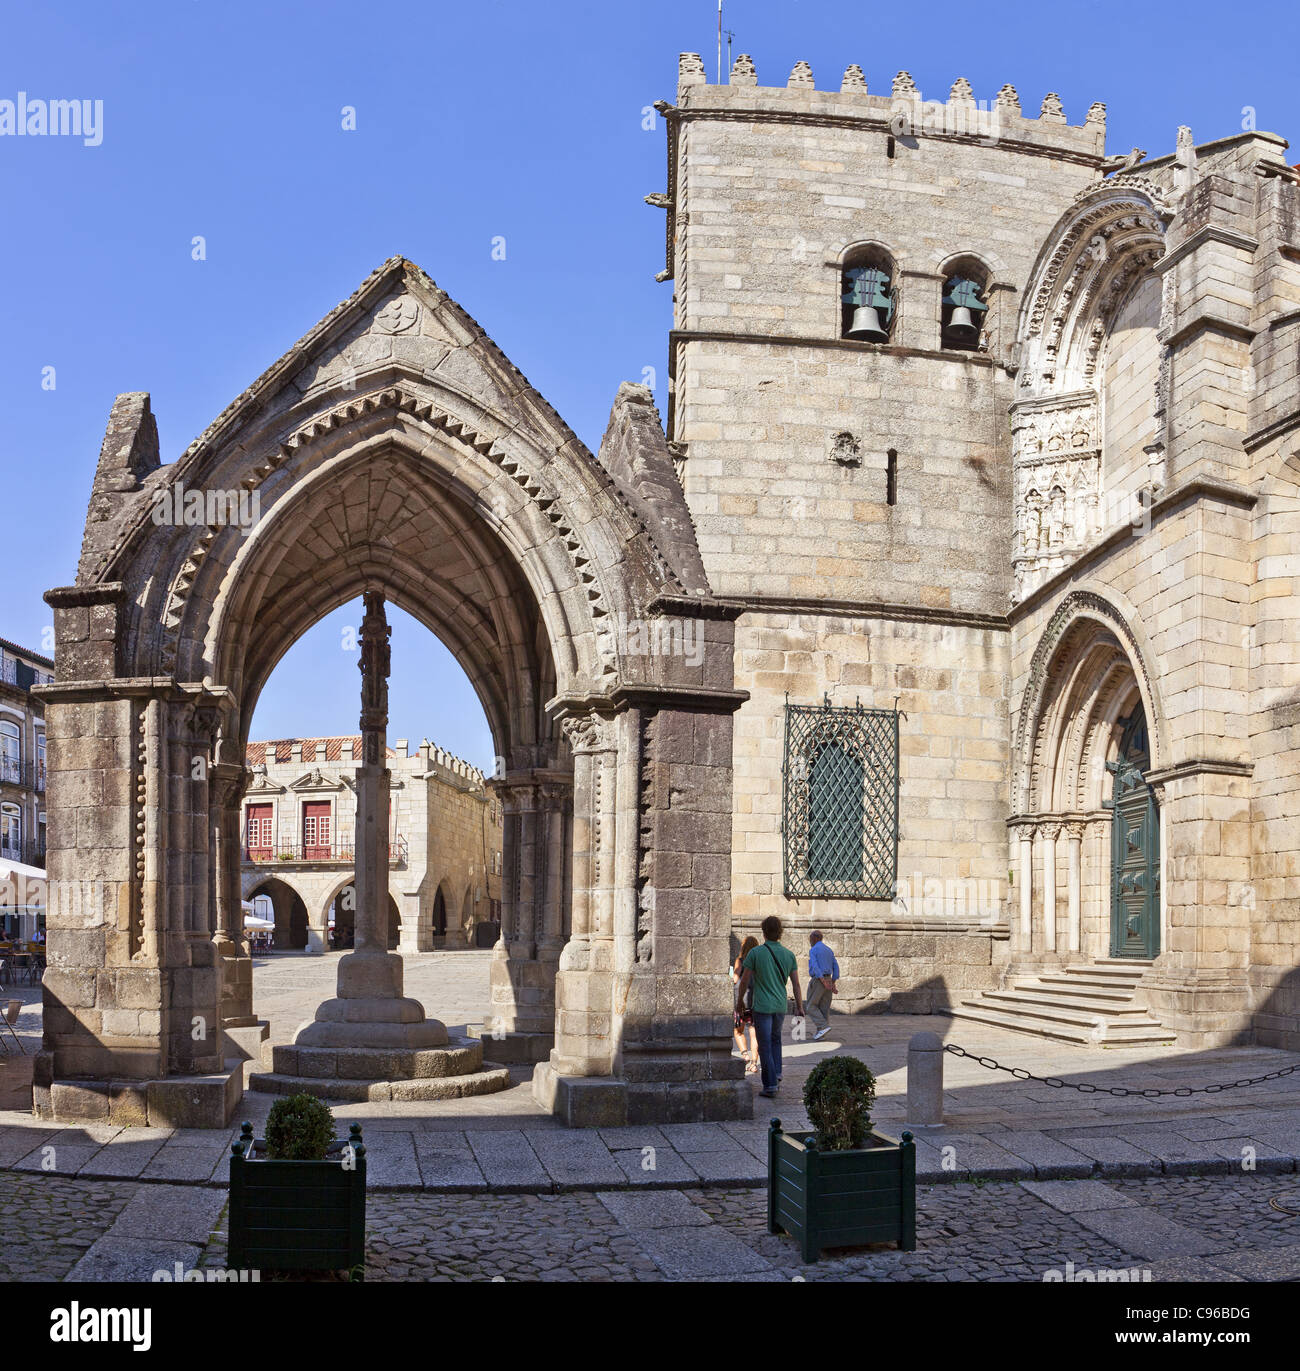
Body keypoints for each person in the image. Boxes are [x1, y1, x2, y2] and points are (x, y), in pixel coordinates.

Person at [735, 916, 803, 1099]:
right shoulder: (789, 955)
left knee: (764, 1045)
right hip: (780, 1005)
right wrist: (799, 1006)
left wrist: (740, 1000)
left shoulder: (755, 953)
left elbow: (745, 979)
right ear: (780, 932)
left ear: (763, 931)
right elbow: (796, 984)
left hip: (763, 1006)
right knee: (776, 1040)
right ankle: (777, 1073)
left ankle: (770, 1085)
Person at [731, 935, 759, 1074]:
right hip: (755, 1001)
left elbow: (736, 979)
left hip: (741, 1000)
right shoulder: (759, 961)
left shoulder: (740, 960)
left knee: (738, 1031)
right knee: (754, 1034)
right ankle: (754, 1064)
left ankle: (745, 1055)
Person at [806, 930, 840, 1041]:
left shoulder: (814, 950)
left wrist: (822, 979)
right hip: (829, 979)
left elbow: (815, 966)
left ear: (815, 938)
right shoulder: (829, 950)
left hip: (818, 980)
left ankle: (823, 1027)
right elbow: (836, 967)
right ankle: (822, 1034)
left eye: (810, 939)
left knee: (811, 1006)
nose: (810, 941)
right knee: (824, 1008)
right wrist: (833, 982)